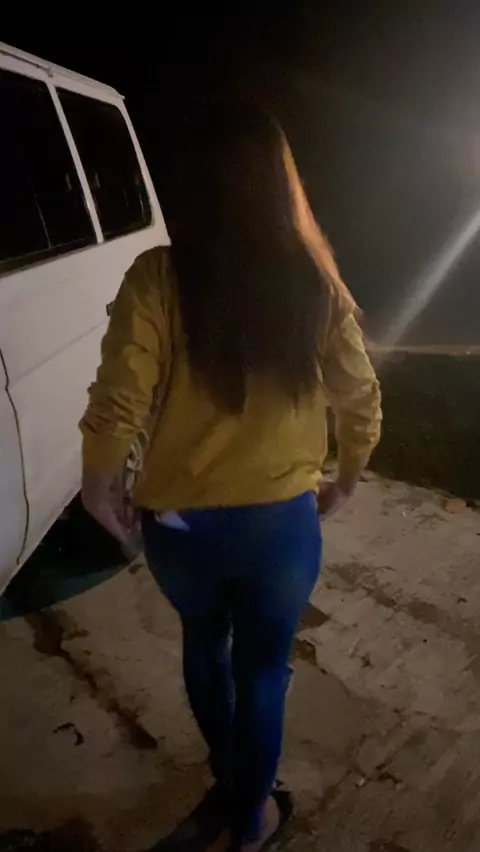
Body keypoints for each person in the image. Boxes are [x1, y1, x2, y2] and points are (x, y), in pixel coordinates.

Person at [80, 101, 381, 852]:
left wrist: (99, 485)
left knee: (203, 644)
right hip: (279, 526)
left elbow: (120, 396)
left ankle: (231, 774)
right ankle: (252, 819)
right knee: (265, 674)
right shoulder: (314, 285)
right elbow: (361, 399)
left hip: (181, 527)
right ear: (279, 185)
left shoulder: (156, 277)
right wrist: (346, 478)